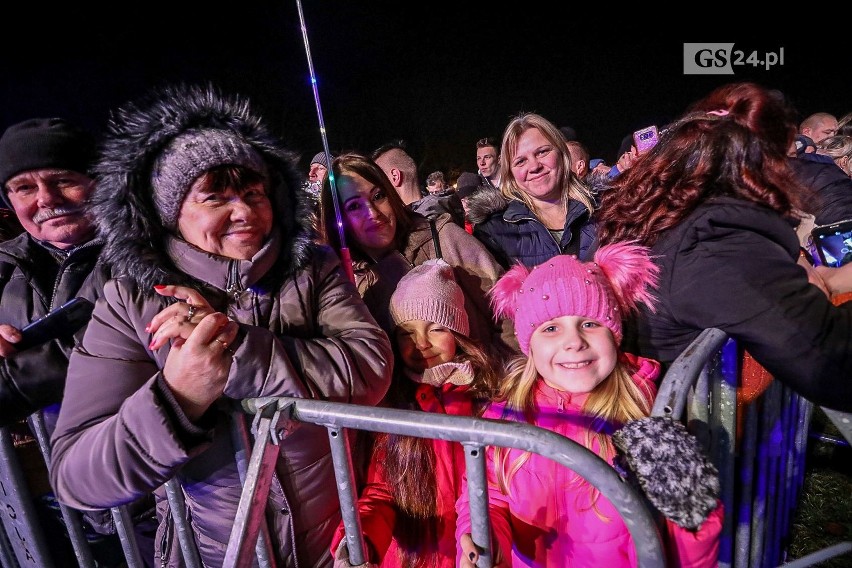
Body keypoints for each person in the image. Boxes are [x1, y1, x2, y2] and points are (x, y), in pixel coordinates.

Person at [48, 83, 393, 567]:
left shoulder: (311, 269)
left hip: (335, 548)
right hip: (214, 555)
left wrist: (241, 349)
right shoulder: (130, 301)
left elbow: (369, 364)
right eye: (215, 198)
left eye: (254, 192)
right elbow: (77, 475)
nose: (245, 213)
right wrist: (178, 398)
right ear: (172, 214)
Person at [456, 246, 722, 567]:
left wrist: (693, 517)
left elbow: (683, 547)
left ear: (615, 334)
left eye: (590, 324)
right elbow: (486, 497)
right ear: (530, 345)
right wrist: (485, 541)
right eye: (551, 328)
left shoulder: (646, 414)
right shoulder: (506, 413)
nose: (574, 342)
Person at [595, 81, 852, 412]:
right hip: (666, 431)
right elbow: (832, 364)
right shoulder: (715, 241)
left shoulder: (652, 214)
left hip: (630, 412)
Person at [0, 117, 153, 566]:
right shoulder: (7, 267)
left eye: (63, 180)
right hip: (44, 497)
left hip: (142, 494)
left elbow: (97, 350)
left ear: (98, 182)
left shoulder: (141, 251)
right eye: (24, 187)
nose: (46, 200)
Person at [330, 259, 502, 568]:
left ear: (458, 332)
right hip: (412, 558)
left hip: (473, 555)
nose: (421, 343)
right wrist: (359, 541)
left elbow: (500, 490)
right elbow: (382, 492)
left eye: (436, 329)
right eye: (406, 333)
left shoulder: (489, 395)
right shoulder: (393, 400)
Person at [317, 152, 515, 355]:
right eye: (355, 206)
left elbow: (507, 310)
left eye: (378, 196)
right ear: (338, 219)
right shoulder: (351, 285)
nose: (373, 213)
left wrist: (507, 377)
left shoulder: (443, 238)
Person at [466, 112, 597, 269]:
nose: (534, 166)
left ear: (562, 154)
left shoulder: (609, 210)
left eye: (542, 152)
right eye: (521, 161)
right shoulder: (493, 232)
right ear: (510, 173)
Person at [372, 141, 464, 227]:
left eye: (380, 180)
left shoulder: (420, 227)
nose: (380, 188)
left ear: (395, 176)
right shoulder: (444, 210)